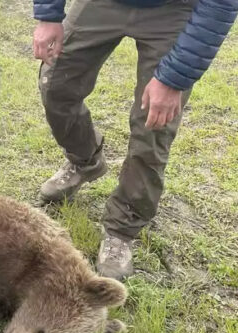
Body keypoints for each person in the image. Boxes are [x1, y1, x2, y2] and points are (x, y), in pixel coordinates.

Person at [31, 0, 237, 279]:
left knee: (153, 127)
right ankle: (84, 161)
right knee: (56, 85)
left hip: (174, 9)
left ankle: (122, 226)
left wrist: (174, 78)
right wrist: (48, 15)